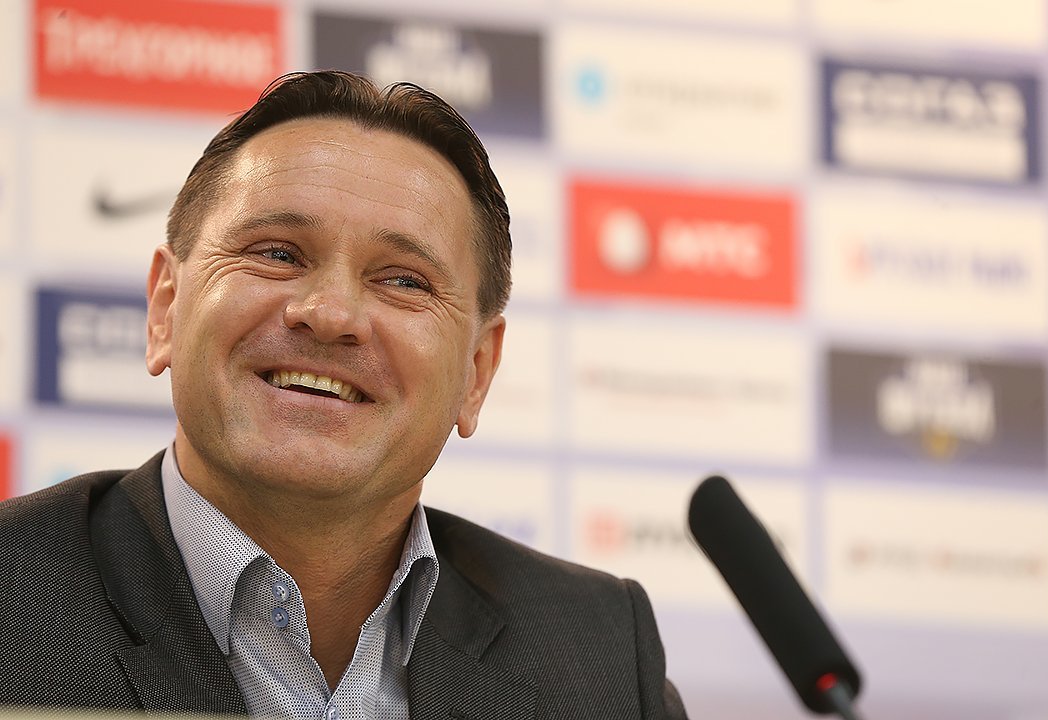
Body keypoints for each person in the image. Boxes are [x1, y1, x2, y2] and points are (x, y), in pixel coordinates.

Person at [0, 70, 687, 718]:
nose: (329, 314)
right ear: (165, 310)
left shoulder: (599, 651)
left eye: (404, 281)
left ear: (476, 372)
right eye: (277, 253)